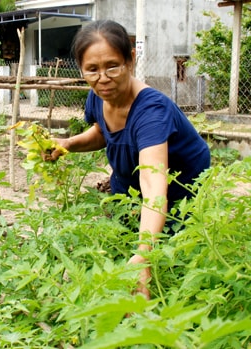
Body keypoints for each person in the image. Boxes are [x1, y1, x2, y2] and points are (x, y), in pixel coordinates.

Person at [47, 20, 211, 299]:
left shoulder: (151, 111)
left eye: (113, 66)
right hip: (129, 180)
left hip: (177, 184)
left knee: (173, 257)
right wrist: (68, 144)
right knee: (125, 239)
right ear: (82, 69)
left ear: (130, 60)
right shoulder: (98, 96)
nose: (103, 78)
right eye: (92, 70)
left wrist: (144, 256)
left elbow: (153, 183)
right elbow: (102, 132)